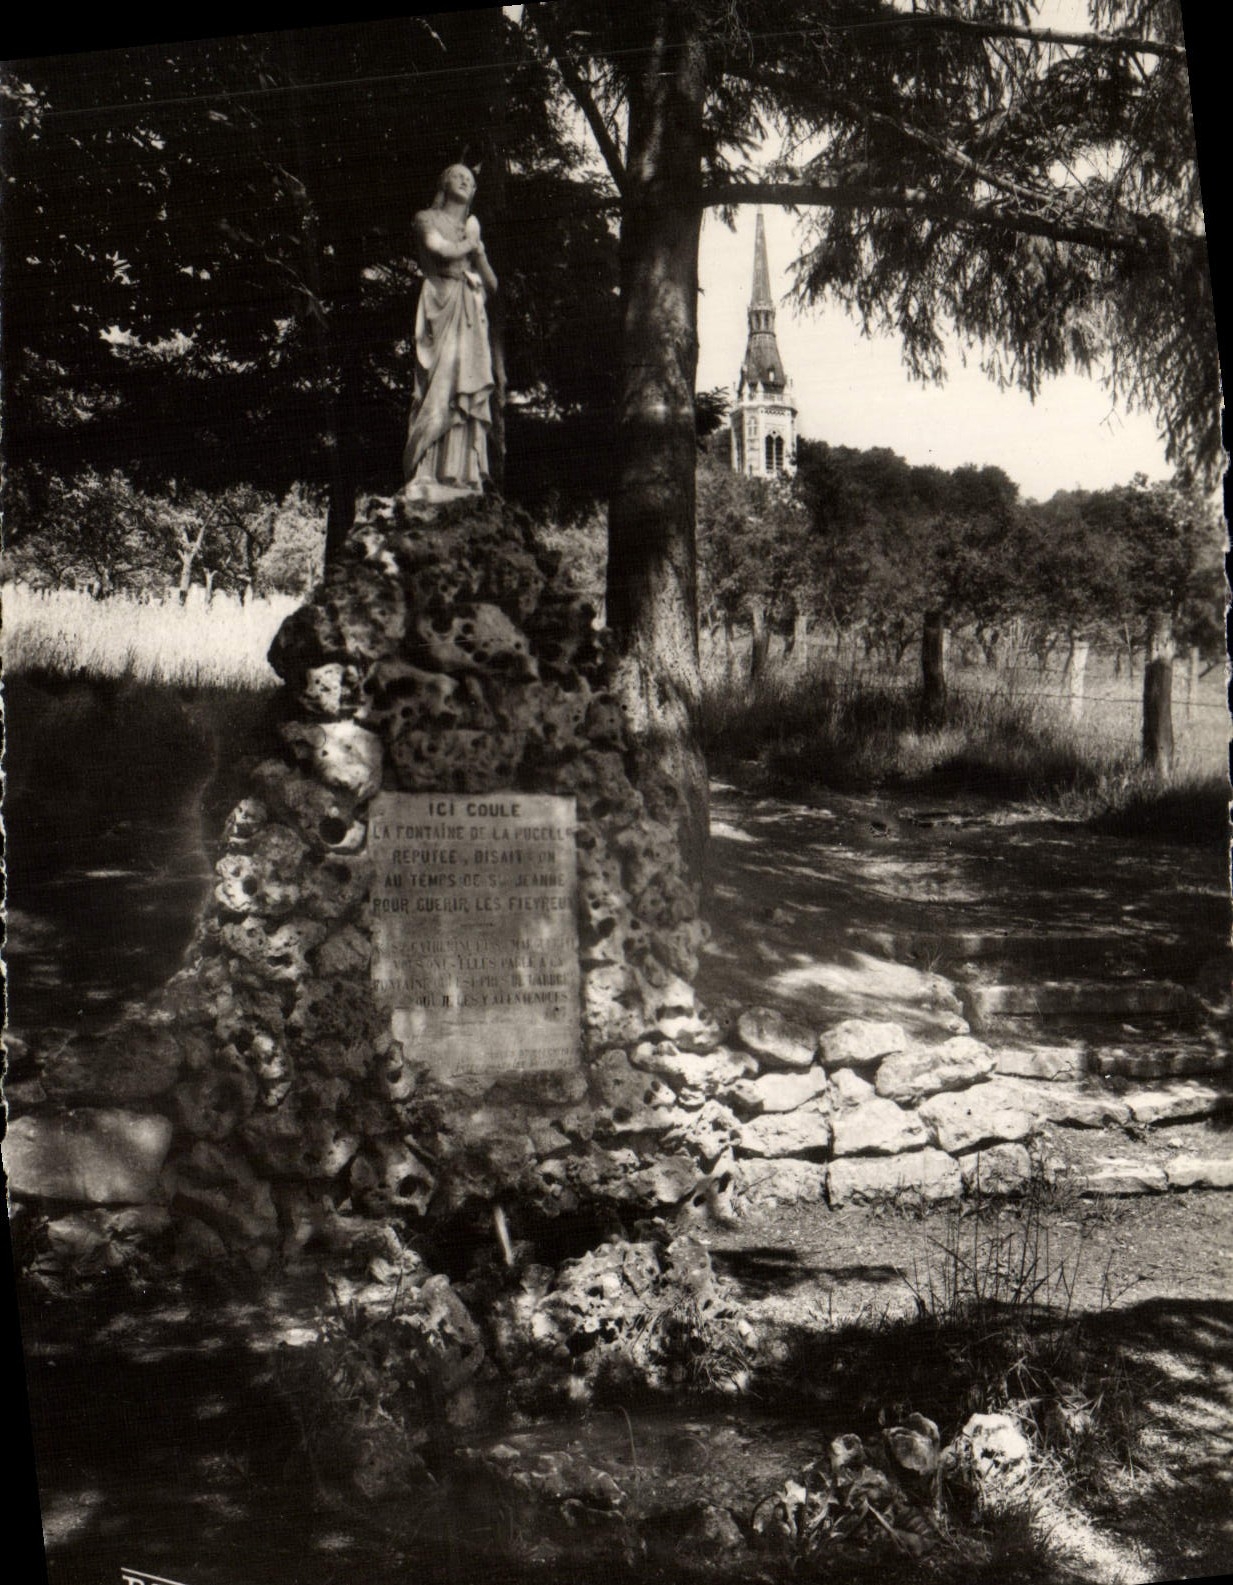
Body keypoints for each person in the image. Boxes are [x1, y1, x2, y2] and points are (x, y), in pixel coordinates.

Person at [402, 163, 498, 502]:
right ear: (444, 182)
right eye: (458, 176)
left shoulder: (469, 232)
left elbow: (492, 283)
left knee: (464, 390)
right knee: (436, 387)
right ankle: (427, 469)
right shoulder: (426, 218)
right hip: (439, 300)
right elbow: (439, 250)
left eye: (470, 181)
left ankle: (462, 474)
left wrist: (479, 251)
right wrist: (471, 242)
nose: (465, 182)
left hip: (469, 309)